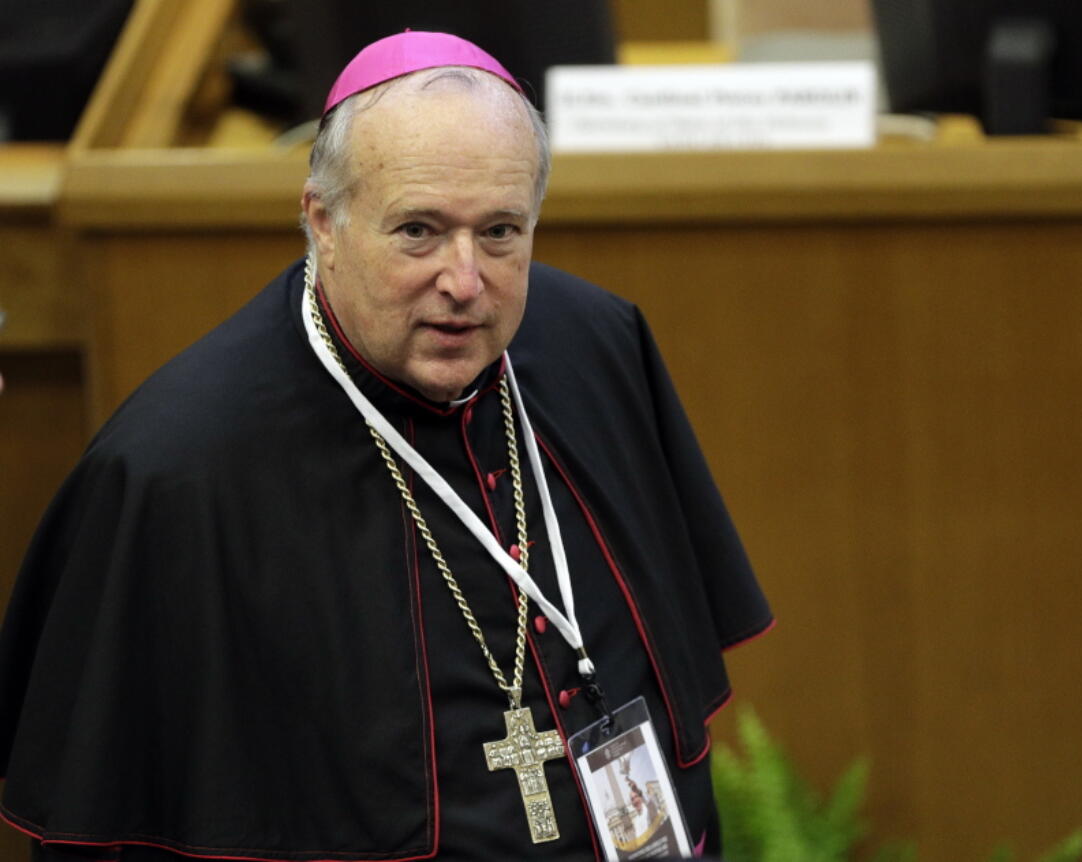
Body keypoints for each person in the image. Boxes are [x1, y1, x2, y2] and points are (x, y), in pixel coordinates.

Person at [0, 31, 772, 861]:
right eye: (418, 231)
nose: (464, 280)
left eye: (502, 231)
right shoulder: (176, 468)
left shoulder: (597, 345)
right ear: (322, 222)